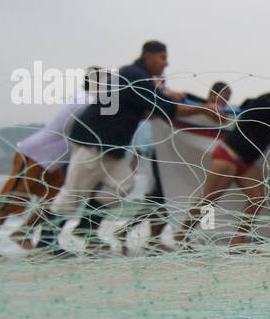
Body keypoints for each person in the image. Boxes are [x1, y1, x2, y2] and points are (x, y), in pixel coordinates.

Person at [46, 40, 218, 252]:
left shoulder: (138, 77)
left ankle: (86, 228)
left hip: (113, 146)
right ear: (148, 56)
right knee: (74, 192)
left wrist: (174, 100)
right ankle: (46, 240)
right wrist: (202, 110)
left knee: (122, 186)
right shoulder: (135, 76)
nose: (166, 63)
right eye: (162, 57)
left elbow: (150, 109)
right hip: (93, 142)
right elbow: (165, 108)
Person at [0, 67, 107, 259]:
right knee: (11, 201)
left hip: (53, 163)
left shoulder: (90, 101)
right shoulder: (84, 100)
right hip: (35, 156)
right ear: (95, 83)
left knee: (55, 202)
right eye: (108, 83)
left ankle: (22, 233)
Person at [178, 75, 270, 249]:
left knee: (257, 198)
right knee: (208, 201)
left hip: (246, 162)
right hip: (228, 157)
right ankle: (181, 237)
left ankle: (236, 243)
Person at [112, 80, 233, 254]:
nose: (223, 103)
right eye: (222, 98)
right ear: (212, 95)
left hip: (179, 160)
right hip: (162, 156)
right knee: (160, 199)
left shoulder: (213, 112)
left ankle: (152, 239)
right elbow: (168, 107)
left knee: (165, 200)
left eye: (227, 100)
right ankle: (125, 232)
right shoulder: (194, 107)